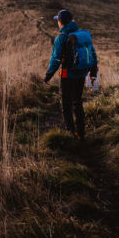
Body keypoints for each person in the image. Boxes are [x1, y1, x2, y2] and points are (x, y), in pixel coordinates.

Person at [44, 9, 98, 140]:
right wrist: (93, 71)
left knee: (66, 105)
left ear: (60, 21)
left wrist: (48, 75)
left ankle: (71, 133)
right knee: (77, 102)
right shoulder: (81, 35)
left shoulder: (61, 38)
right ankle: (81, 133)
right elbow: (93, 53)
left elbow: (55, 59)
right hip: (81, 74)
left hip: (67, 75)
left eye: (58, 20)